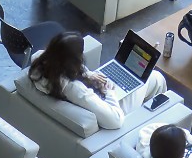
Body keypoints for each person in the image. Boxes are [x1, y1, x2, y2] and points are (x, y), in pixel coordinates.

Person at [28, 31, 166, 130]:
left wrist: (88, 75)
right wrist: (109, 92)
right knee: (155, 78)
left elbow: (61, 64)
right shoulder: (76, 90)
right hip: (114, 110)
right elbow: (115, 121)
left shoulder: (39, 61)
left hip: (97, 96)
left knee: (141, 76)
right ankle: (155, 124)